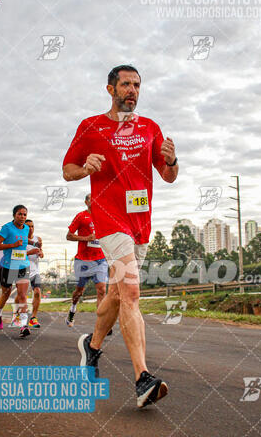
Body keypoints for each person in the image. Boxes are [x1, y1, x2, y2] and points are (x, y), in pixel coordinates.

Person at [63, 65, 178, 408]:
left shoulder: (149, 128)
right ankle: (143, 378)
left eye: (137, 85)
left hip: (140, 220)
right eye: (125, 84)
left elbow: (169, 176)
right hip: (109, 217)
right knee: (130, 290)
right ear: (110, 89)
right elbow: (68, 169)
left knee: (115, 293)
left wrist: (172, 161)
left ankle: (92, 346)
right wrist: (86, 168)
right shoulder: (91, 126)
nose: (132, 90)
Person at [66, 193, 108, 328]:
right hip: (83, 260)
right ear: (86, 202)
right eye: (91, 198)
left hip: (100, 259)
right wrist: (86, 238)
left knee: (101, 290)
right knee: (79, 291)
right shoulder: (81, 216)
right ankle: (73, 308)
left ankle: (101, 324)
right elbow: (69, 236)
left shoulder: (103, 215)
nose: (94, 200)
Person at [0, 205, 31, 338]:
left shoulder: (26, 228)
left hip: (23, 265)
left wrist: (36, 246)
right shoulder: (7, 228)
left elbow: (25, 242)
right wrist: (13, 245)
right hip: (8, 266)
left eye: (24, 215)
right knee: (6, 293)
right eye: (20, 214)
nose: (22, 217)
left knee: (22, 295)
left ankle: (23, 325)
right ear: (14, 215)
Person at [25, 219, 43, 328]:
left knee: (37, 291)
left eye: (32, 226)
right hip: (22, 270)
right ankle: (17, 316)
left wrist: (41, 253)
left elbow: (41, 251)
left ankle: (33, 318)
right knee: (21, 295)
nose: (31, 228)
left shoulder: (38, 239)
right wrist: (29, 253)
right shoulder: (21, 239)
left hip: (35, 271)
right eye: (28, 227)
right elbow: (15, 254)